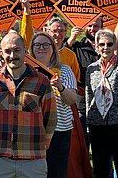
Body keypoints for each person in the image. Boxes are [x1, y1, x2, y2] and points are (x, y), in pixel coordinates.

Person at [0, 32, 57, 178]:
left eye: (17, 50)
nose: (12, 55)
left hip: (33, 159)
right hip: (1, 159)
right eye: (8, 51)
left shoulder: (42, 81)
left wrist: (43, 144)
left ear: (25, 51)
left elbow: (50, 118)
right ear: (1, 52)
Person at [86, 25, 118, 178]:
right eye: (102, 44)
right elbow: (90, 95)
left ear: (115, 45)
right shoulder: (91, 69)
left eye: (109, 44)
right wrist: (90, 121)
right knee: (100, 167)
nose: (105, 47)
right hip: (98, 125)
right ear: (96, 46)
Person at [29, 32, 77, 178]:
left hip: (59, 130)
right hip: (32, 131)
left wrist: (61, 87)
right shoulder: (27, 71)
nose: (41, 48)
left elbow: (72, 100)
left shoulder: (65, 70)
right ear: (32, 49)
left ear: (53, 48)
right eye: (37, 45)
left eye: (46, 44)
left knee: (56, 172)